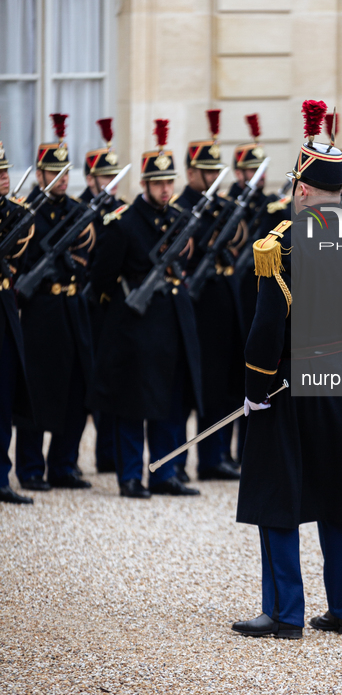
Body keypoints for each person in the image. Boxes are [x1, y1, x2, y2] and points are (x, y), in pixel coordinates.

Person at [231, 100, 342, 639]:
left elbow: (266, 331)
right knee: (341, 494)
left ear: (303, 188)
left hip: (293, 380)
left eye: (294, 186)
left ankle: (286, 613)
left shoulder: (282, 242)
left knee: (277, 496)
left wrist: (256, 391)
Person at [89, 119, 201, 498]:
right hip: (136, 329)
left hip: (172, 325)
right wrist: (123, 311)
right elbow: (101, 278)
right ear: (144, 184)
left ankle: (165, 473)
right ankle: (131, 476)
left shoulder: (178, 220)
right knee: (132, 404)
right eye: (159, 183)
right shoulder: (124, 224)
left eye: (170, 182)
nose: (167, 189)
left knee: (171, 402)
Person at [15, 115, 95, 491]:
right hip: (40, 311)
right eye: (55, 173)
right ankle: (31, 468)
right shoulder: (25, 212)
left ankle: (64, 464)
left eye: (66, 173)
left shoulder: (77, 211)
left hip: (71, 308)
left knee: (75, 389)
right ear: (41, 175)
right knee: (37, 389)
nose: (63, 179)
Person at [175, 110, 242, 481]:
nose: (214, 177)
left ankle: (218, 455)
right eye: (207, 171)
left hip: (225, 301)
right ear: (191, 173)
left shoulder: (221, 206)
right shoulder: (183, 208)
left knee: (228, 382)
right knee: (200, 386)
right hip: (198, 306)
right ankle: (191, 459)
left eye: (217, 171)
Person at [79, 118, 127, 474]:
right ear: (90, 177)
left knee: (112, 380)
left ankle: (108, 456)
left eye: (113, 178)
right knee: (83, 381)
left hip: (112, 306)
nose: (109, 185)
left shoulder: (121, 209)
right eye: (103, 178)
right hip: (82, 303)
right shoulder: (78, 209)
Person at [0, 140, 34, 504]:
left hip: (5, 307)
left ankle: (1, 477)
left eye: (5, 170)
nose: (4, 178)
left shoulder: (16, 214)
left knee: (5, 395)